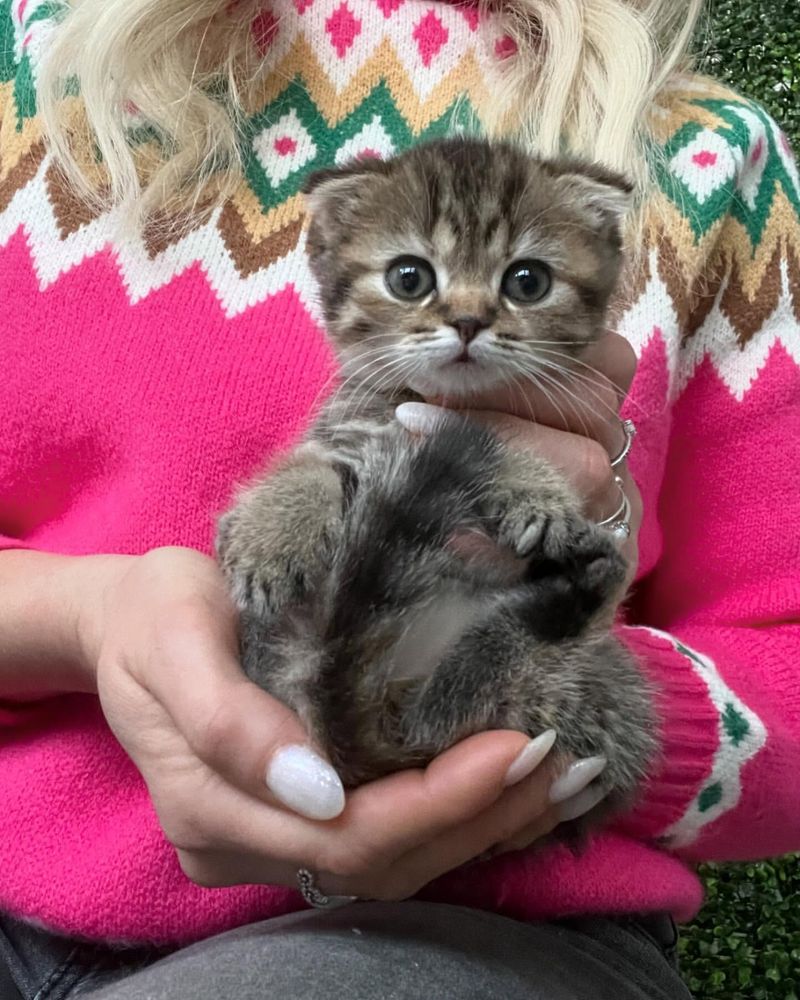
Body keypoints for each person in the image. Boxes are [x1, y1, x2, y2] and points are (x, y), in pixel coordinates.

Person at [0, 0, 798, 995]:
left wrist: (544, 701)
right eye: (414, 277)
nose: (465, 314)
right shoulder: (26, 58)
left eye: (519, 282)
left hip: (470, 925)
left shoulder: (712, 159)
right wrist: (82, 618)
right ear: (332, 255)